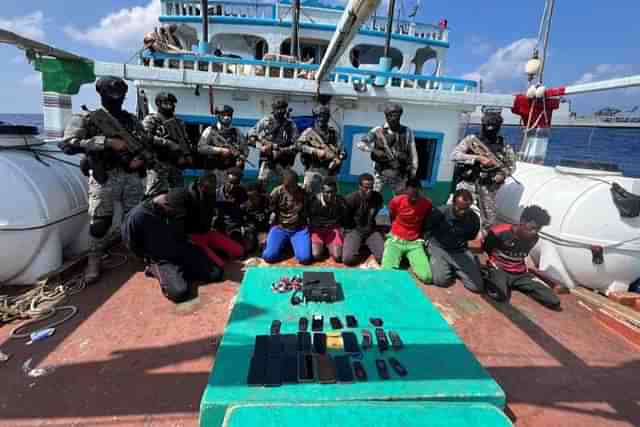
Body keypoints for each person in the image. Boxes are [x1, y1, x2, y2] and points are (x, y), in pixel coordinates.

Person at [60, 76, 154, 283]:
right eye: (112, 94)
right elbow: (67, 145)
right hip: (105, 176)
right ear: (100, 94)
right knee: (100, 223)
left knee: (134, 218)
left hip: (131, 176)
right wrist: (106, 142)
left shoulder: (131, 120)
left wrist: (139, 160)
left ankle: (136, 253)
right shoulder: (87, 118)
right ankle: (94, 260)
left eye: (121, 95)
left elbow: (145, 144)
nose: (117, 98)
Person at [121, 173, 223, 303]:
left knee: (216, 274)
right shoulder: (138, 216)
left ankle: (178, 273)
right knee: (180, 293)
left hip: (182, 249)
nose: (176, 213)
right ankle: (154, 269)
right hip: (163, 258)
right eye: (173, 210)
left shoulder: (174, 206)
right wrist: (148, 256)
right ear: (162, 205)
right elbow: (130, 242)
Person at [483, 205, 561, 310]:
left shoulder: (534, 238)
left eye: (537, 229)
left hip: (520, 273)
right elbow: (487, 248)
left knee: (554, 301)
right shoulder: (499, 232)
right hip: (499, 269)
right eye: (532, 228)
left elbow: (523, 255)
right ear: (522, 221)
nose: (534, 232)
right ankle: (489, 276)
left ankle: (514, 284)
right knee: (499, 295)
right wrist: (493, 263)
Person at [451, 110, 516, 234]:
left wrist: (502, 175)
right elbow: (454, 155)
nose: (489, 130)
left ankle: (483, 242)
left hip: (487, 186)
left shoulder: (504, 146)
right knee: (457, 209)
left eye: (493, 127)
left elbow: (511, 166)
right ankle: (451, 234)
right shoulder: (472, 140)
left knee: (490, 220)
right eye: (487, 126)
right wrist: (477, 158)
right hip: (468, 182)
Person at [425, 189, 483, 292]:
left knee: (476, 287)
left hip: (459, 250)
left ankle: (457, 266)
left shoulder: (473, 218)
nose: (462, 212)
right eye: (459, 208)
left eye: (466, 208)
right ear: (453, 203)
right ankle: (449, 266)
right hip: (439, 248)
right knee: (440, 281)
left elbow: (471, 236)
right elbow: (427, 228)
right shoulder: (440, 212)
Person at [357, 103, 418, 195]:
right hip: (380, 172)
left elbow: (413, 152)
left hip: (399, 172)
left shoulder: (407, 131)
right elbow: (360, 143)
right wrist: (373, 150)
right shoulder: (378, 130)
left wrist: (413, 171)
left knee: (400, 200)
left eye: (396, 115)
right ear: (386, 116)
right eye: (390, 115)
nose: (393, 118)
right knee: (374, 197)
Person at [381, 177, 433, 283]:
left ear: (421, 191)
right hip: (396, 240)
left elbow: (425, 222)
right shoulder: (397, 201)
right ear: (406, 191)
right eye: (411, 195)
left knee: (427, 277)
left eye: (416, 195)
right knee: (386, 274)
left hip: (414, 243)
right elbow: (392, 216)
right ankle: (402, 257)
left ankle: (408, 258)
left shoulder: (427, 204)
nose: (414, 198)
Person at [142, 92, 192, 197]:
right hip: (158, 164)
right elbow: (144, 137)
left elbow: (185, 141)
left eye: (172, 103)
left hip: (175, 164)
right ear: (158, 104)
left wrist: (185, 155)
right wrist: (167, 143)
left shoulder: (179, 123)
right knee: (154, 195)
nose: (170, 106)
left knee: (178, 195)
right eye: (166, 103)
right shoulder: (152, 119)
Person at [262, 169, 312, 264]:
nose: (292, 189)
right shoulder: (277, 192)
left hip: (299, 229)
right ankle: (277, 245)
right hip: (280, 228)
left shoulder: (304, 192)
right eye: (288, 186)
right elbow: (270, 209)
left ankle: (290, 244)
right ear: (283, 183)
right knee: (268, 256)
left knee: (304, 258)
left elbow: (309, 210)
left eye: (294, 185)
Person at [248, 98, 299, 187]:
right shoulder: (265, 121)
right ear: (273, 109)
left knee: (287, 186)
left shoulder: (291, 124)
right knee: (262, 185)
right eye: (277, 108)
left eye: (282, 108)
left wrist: (282, 151)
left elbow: (297, 145)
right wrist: (261, 147)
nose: (280, 111)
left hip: (284, 162)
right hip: (267, 161)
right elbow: (250, 135)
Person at [297, 105, 346, 193]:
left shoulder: (333, 133)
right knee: (309, 195)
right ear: (316, 117)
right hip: (313, 170)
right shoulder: (309, 132)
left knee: (332, 198)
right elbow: (298, 146)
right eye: (319, 116)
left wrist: (338, 159)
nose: (322, 118)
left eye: (325, 116)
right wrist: (315, 151)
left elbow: (343, 150)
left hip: (330, 172)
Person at [198, 105, 249, 187]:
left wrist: (241, 158)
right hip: (213, 171)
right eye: (224, 115)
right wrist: (220, 150)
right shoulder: (210, 130)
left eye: (229, 115)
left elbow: (245, 149)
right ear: (219, 116)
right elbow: (200, 148)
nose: (227, 117)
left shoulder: (237, 132)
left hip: (230, 174)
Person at [342, 173, 385, 266]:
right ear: (359, 187)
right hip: (355, 231)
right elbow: (344, 220)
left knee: (384, 258)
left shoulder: (378, 197)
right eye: (366, 187)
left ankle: (368, 249)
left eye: (371, 187)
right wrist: (350, 235)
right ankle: (359, 246)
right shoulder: (350, 199)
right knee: (348, 259)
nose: (369, 191)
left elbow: (378, 216)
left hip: (371, 231)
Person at [214, 168, 253, 255]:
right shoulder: (216, 194)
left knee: (240, 251)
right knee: (220, 253)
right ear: (225, 180)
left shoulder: (241, 192)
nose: (232, 186)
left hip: (235, 226)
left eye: (236, 183)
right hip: (220, 227)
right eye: (230, 182)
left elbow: (248, 209)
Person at [307, 178, 346, 262]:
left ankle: (328, 245)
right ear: (322, 192)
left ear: (336, 191)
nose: (330, 195)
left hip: (332, 229)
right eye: (327, 192)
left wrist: (341, 230)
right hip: (317, 230)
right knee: (316, 255)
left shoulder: (341, 201)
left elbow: (344, 218)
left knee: (338, 257)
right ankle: (323, 245)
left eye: (332, 192)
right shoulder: (313, 201)